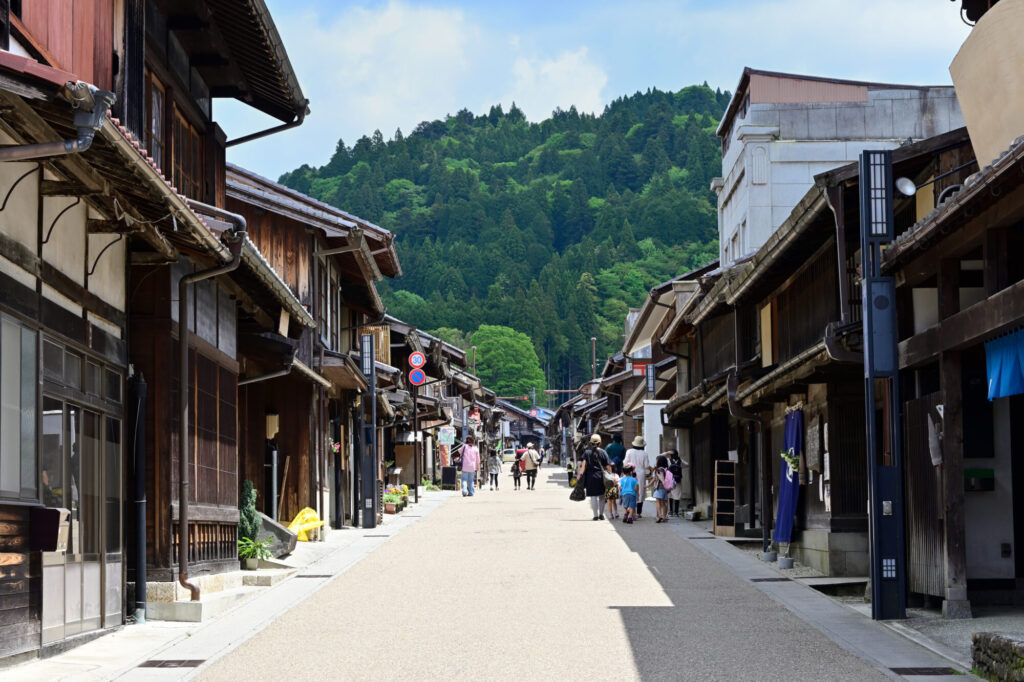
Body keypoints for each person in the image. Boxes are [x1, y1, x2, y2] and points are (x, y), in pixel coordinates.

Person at [576, 434, 611, 520]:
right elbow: (608, 466)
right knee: (602, 496)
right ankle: (601, 514)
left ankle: (595, 515)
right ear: (600, 443)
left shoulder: (587, 453)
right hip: (601, 476)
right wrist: (610, 474)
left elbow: (583, 465)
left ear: (590, 443)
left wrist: (580, 475)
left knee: (593, 496)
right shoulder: (603, 452)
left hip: (590, 477)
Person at [623, 436, 650, 519]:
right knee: (640, 492)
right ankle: (638, 513)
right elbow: (646, 465)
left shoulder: (629, 451)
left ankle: (628, 510)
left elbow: (625, 462)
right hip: (641, 474)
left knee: (630, 490)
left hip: (630, 473)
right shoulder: (644, 453)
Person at [648, 454, 670, 522]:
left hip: (659, 487)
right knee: (664, 503)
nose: (656, 461)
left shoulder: (660, 469)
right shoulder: (666, 469)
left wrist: (655, 468)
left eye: (656, 460)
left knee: (658, 502)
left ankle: (659, 515)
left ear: (659, 462)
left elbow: (657, 475)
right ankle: (664, 516)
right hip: (665, 488)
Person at [666, 449, 684, 517]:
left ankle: (671, 511)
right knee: (677, 496)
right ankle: (676, 512)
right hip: (678, 480)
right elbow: (687, 465)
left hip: (670, 480)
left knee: (670, 495)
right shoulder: (681, 461)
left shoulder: (668, 461)